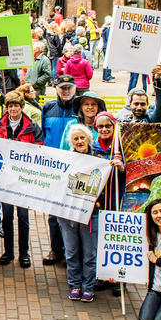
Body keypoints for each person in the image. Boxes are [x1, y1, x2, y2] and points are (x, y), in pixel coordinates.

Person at [0, 92, 42, 268]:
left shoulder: (32, 126)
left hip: (23, 179)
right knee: (7, 216)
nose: (13, 109)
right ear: (6, 107)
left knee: (24, 217)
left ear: (22, 107)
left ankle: (24, 253)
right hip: (5, 179)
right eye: (10, 106)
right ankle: (9, 251)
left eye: (16, 106)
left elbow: (39, 149)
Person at [58, 125, 103, 302]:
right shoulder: (66, 160)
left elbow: (105, 185)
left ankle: (88, 286)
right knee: (71, 251)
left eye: (82, 138)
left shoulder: (99, 160)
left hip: (90, 214)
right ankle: (75, 284)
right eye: (76, 139)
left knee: (89, 253)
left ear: (89, 139)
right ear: (71, 142)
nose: (79, 142)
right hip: (68, 213)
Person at [40, 75, 77, 265]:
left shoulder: (79, 109)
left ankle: (71, 251)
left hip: (75, 169)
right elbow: (42, 135)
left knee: (72, 213)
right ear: (56, 89)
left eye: (69, 87)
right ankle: (56, 250)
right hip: (52, 168)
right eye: (62, 87)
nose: (66, 91)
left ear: (75, 88)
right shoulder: (48, 108)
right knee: (53, 213)